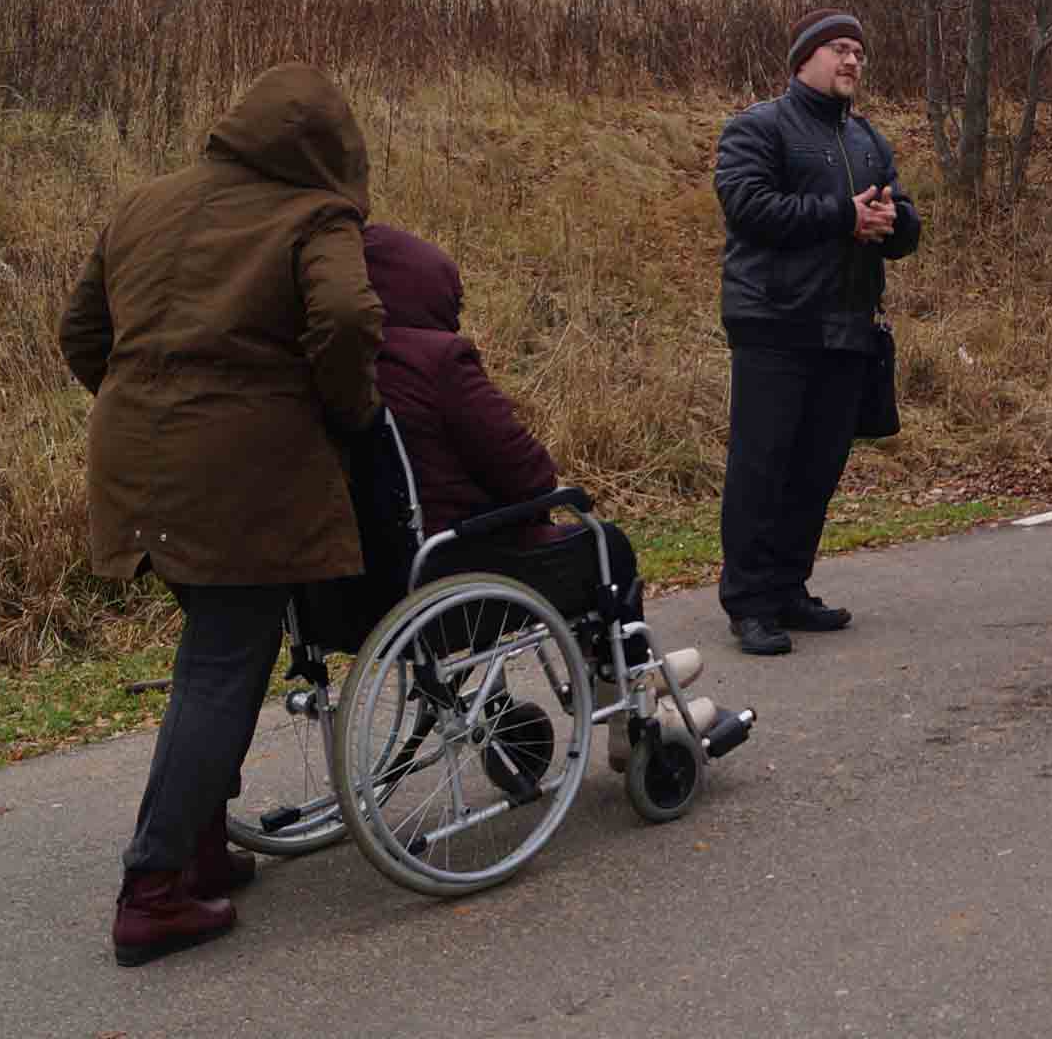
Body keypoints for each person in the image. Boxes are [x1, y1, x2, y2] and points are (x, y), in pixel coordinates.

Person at [59, 62, 382, 967]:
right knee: (222, 664)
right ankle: (154, 890)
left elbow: (80, 334)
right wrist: (347, 412)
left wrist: (147, 401)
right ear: (330, 145)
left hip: (133, 462)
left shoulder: (145, 202)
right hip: (240, 470)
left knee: (217, 654)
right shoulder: (313, 215)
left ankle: (200, 846)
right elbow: (350, 320)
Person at [713, 9, 922, 657]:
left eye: (859, 51)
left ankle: (788, 590)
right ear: (804, 58)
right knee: (761, 468)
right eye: (839, 48)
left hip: (847, 327)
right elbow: (747, 206)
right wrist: (842, 216)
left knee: (816, 469)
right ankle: (748, 603)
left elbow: (905, 221)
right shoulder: (757, 126)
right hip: (772, 322)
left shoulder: (867, 140)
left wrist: (894, 221)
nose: (853, 61)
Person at [365, 222, 641, 625]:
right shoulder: (438, 362)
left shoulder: (331, 366)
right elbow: (527, 473)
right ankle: (623, 673)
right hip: (447, 574)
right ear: (428, 291)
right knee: (607, 545)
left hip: (357, 590)